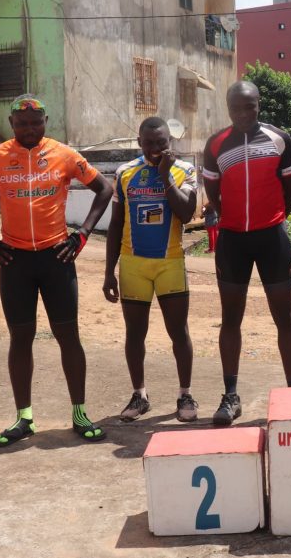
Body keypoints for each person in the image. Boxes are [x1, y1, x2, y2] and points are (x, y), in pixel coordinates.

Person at [0, 94, 113, 445]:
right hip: (14, 262)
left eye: (36, 122)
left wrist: (83, 234)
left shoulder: (64, 154)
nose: (29, 128)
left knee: (68, 336)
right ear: (11, 124)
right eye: (22, 123)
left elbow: (103, 188)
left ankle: (79, 413)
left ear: (45, 122)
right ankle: (23, 418)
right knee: (20, 339)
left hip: (56, 259)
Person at [202, 81, 291, 426]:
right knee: (231, 319)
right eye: (236, 108)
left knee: (284, 318)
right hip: (233, 240)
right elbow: (213, 193)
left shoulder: (279, 139)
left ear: (259, 105)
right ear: (228, 108)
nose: (243, 114)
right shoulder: (216, 144)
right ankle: (230, 396)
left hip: (272, 237)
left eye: (250, 107)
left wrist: (272, 218)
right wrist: (231, 218)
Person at [103, 117, 199, 422]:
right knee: (135, 333)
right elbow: (116, 224)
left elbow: (185, 214)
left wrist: (165, 176)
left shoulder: (185, 171)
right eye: (150, 143)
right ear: (139, 142)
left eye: (162, 143)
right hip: (133, 264)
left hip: (170, 262)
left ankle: (185, 395)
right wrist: (109, 272)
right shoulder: (125, 173)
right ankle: (140, 395)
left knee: (178, 332)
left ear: (170, 142)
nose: (156, 149)